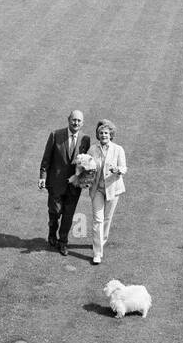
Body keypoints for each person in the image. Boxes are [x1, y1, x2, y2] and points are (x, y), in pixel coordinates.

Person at [38, 110, 90, 254]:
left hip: (74, 186)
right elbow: (46, 159)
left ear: (82, 123)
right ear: (68, 120)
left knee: (68, 215)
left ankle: (63, 242)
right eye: (74, 120)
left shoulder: (85, 139)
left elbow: (87, 162)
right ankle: (51, 233)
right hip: (56, 183)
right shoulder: (56, 135)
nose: (76, 123)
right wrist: (42, 177)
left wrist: (86, 178)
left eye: (79, 121)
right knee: (55, 212)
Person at [88, 119, 126, 266]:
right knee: (98, 219)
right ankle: (97, 253)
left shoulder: (118, 149)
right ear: (98, 135)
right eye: (101, 133)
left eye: (106, 133)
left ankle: (102, 240)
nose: (104, 135)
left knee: (107, 219)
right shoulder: (92, 149)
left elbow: (124, 167)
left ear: (111, 135)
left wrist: (118, 170)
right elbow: (88, 165)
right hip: (97, 189)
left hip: (113, 189)